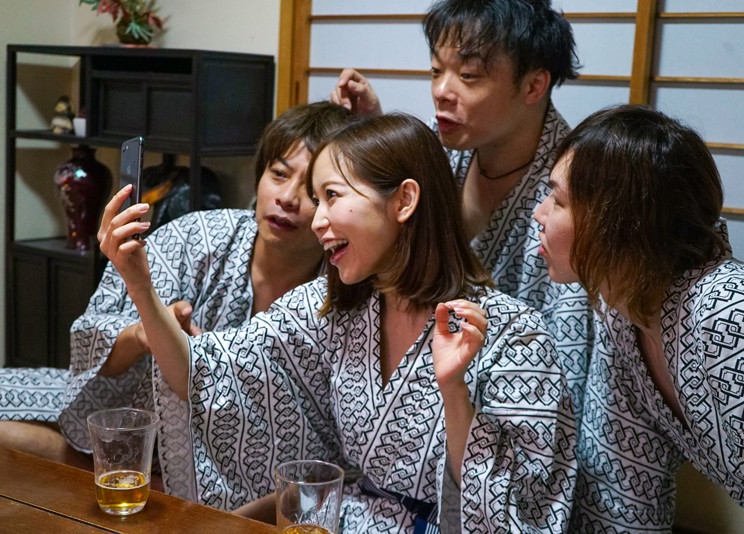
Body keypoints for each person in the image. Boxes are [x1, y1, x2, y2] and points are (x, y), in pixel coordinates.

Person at [103, 112, 578, 531]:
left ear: (404, 200)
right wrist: (139, 284)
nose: (317, 220)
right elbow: (201, 372)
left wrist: (454, 391)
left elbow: (520, 513)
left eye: (331, 196)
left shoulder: (516, 338)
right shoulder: (333, 308)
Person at [0, 102, 354, 484]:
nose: (286, 198)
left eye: (313, 191)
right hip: (126, 405)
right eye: (279, 174)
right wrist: (144, 334)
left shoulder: (344, 286)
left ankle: (139, 482)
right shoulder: (198, 236)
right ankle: (126, 476)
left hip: (248, 464)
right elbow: (94, 342)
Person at [330, 0, 594, 416]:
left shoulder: (573, 191)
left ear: (533, 86)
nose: (441, 91)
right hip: (425, 399)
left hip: (522, 411)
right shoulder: (443, 151)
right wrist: (377, 142)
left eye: (468, 75)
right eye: (437, 71)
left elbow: (571, 361)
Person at [533, 104, 744, 531]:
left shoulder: (725, 309)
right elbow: (624, 491)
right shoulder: (621, 315)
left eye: (557, 200)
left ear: (618, 223)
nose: (540, 213)